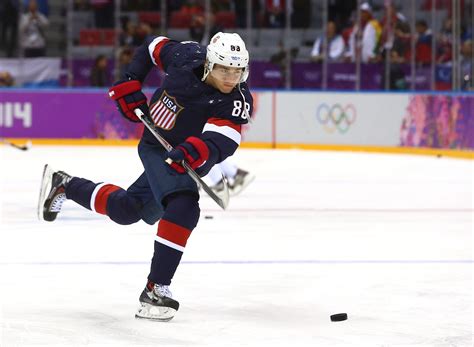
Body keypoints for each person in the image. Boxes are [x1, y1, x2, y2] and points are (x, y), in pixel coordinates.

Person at [38, 32, 253, 322]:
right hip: (156, 145)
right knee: (184, 206)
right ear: (208, 63)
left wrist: (193, 151)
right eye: (224, 69)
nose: (230, 77)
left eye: (237, 70)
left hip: (180, 154)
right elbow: (152, 46)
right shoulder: (185, 56)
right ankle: (155, 291)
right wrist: (131, 79)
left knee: (127, 210)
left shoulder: (237, 99)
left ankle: (65, 184)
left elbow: (223, 140)